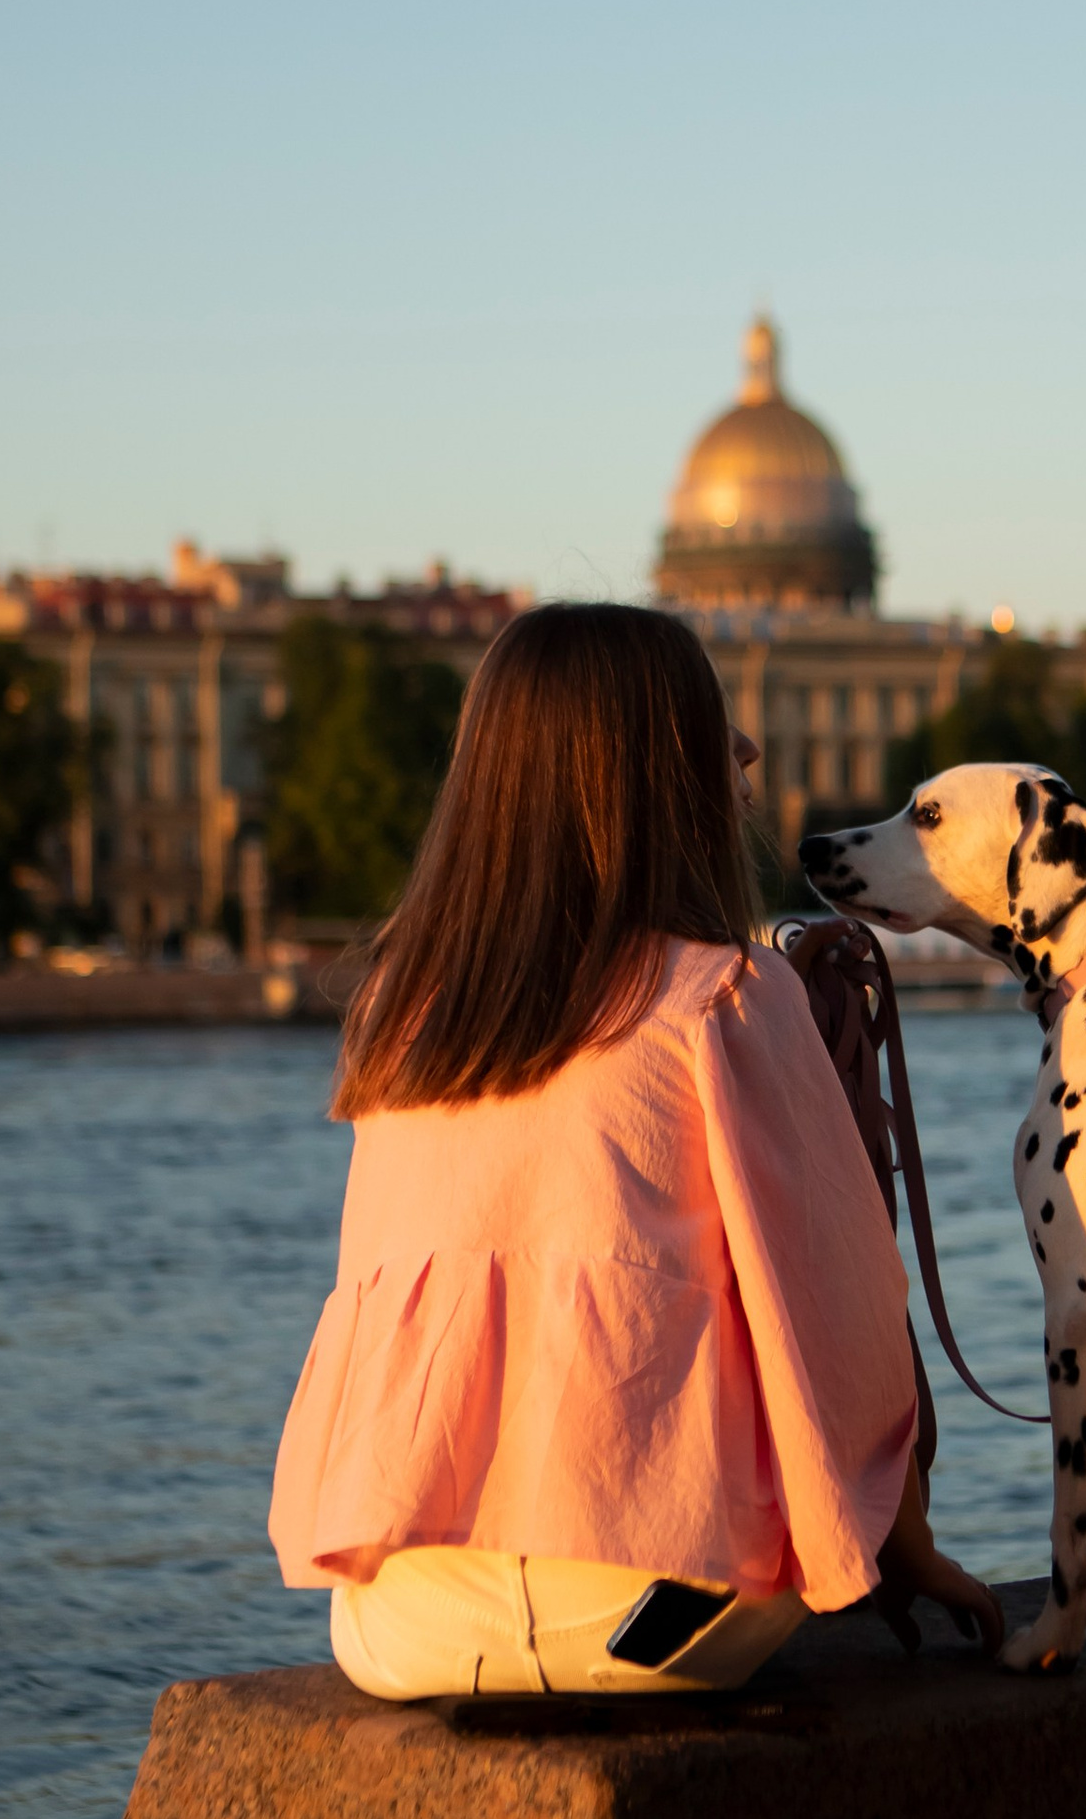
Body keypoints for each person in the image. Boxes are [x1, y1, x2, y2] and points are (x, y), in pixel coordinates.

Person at [269, 601, 1000, 1699]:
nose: (746, 749)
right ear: (643, 769)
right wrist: (904, 1546)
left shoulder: (403, 1018)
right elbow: (840, 1323)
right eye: (709, 717)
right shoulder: (729, 999)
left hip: (389, 1626)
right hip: (652, 1622)